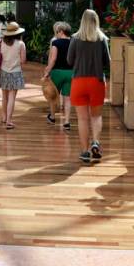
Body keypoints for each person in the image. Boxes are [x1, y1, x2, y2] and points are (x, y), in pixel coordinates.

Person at [68, 10, 111, 164]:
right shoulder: (102, 39)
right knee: (96, 116)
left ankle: (85, 152)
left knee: (82, 118)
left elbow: (69, 60)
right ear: (96, 20)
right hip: (97, 81)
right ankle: (96, 142)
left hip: (78, 82)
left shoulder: (74, 38)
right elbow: (107, 62)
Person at [0, 22, 27, 130]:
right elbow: (23, 60)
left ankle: (4, 117)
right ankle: (9, 121)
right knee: (12, 97)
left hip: (3, 71)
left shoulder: (0, 42)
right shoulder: (21, 44)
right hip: (16, 71)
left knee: (4, 96)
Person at [43, 21, 73, 130]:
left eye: (57, 32)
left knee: (53, 96)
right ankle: (67, 122)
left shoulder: (56, 43)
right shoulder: (74, 42)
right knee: (67, 98)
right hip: (70, 72)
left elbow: (53, 59)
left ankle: (52, 117)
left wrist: (47, 71)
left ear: (61, 31)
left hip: (57, 72)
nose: (56, 34)